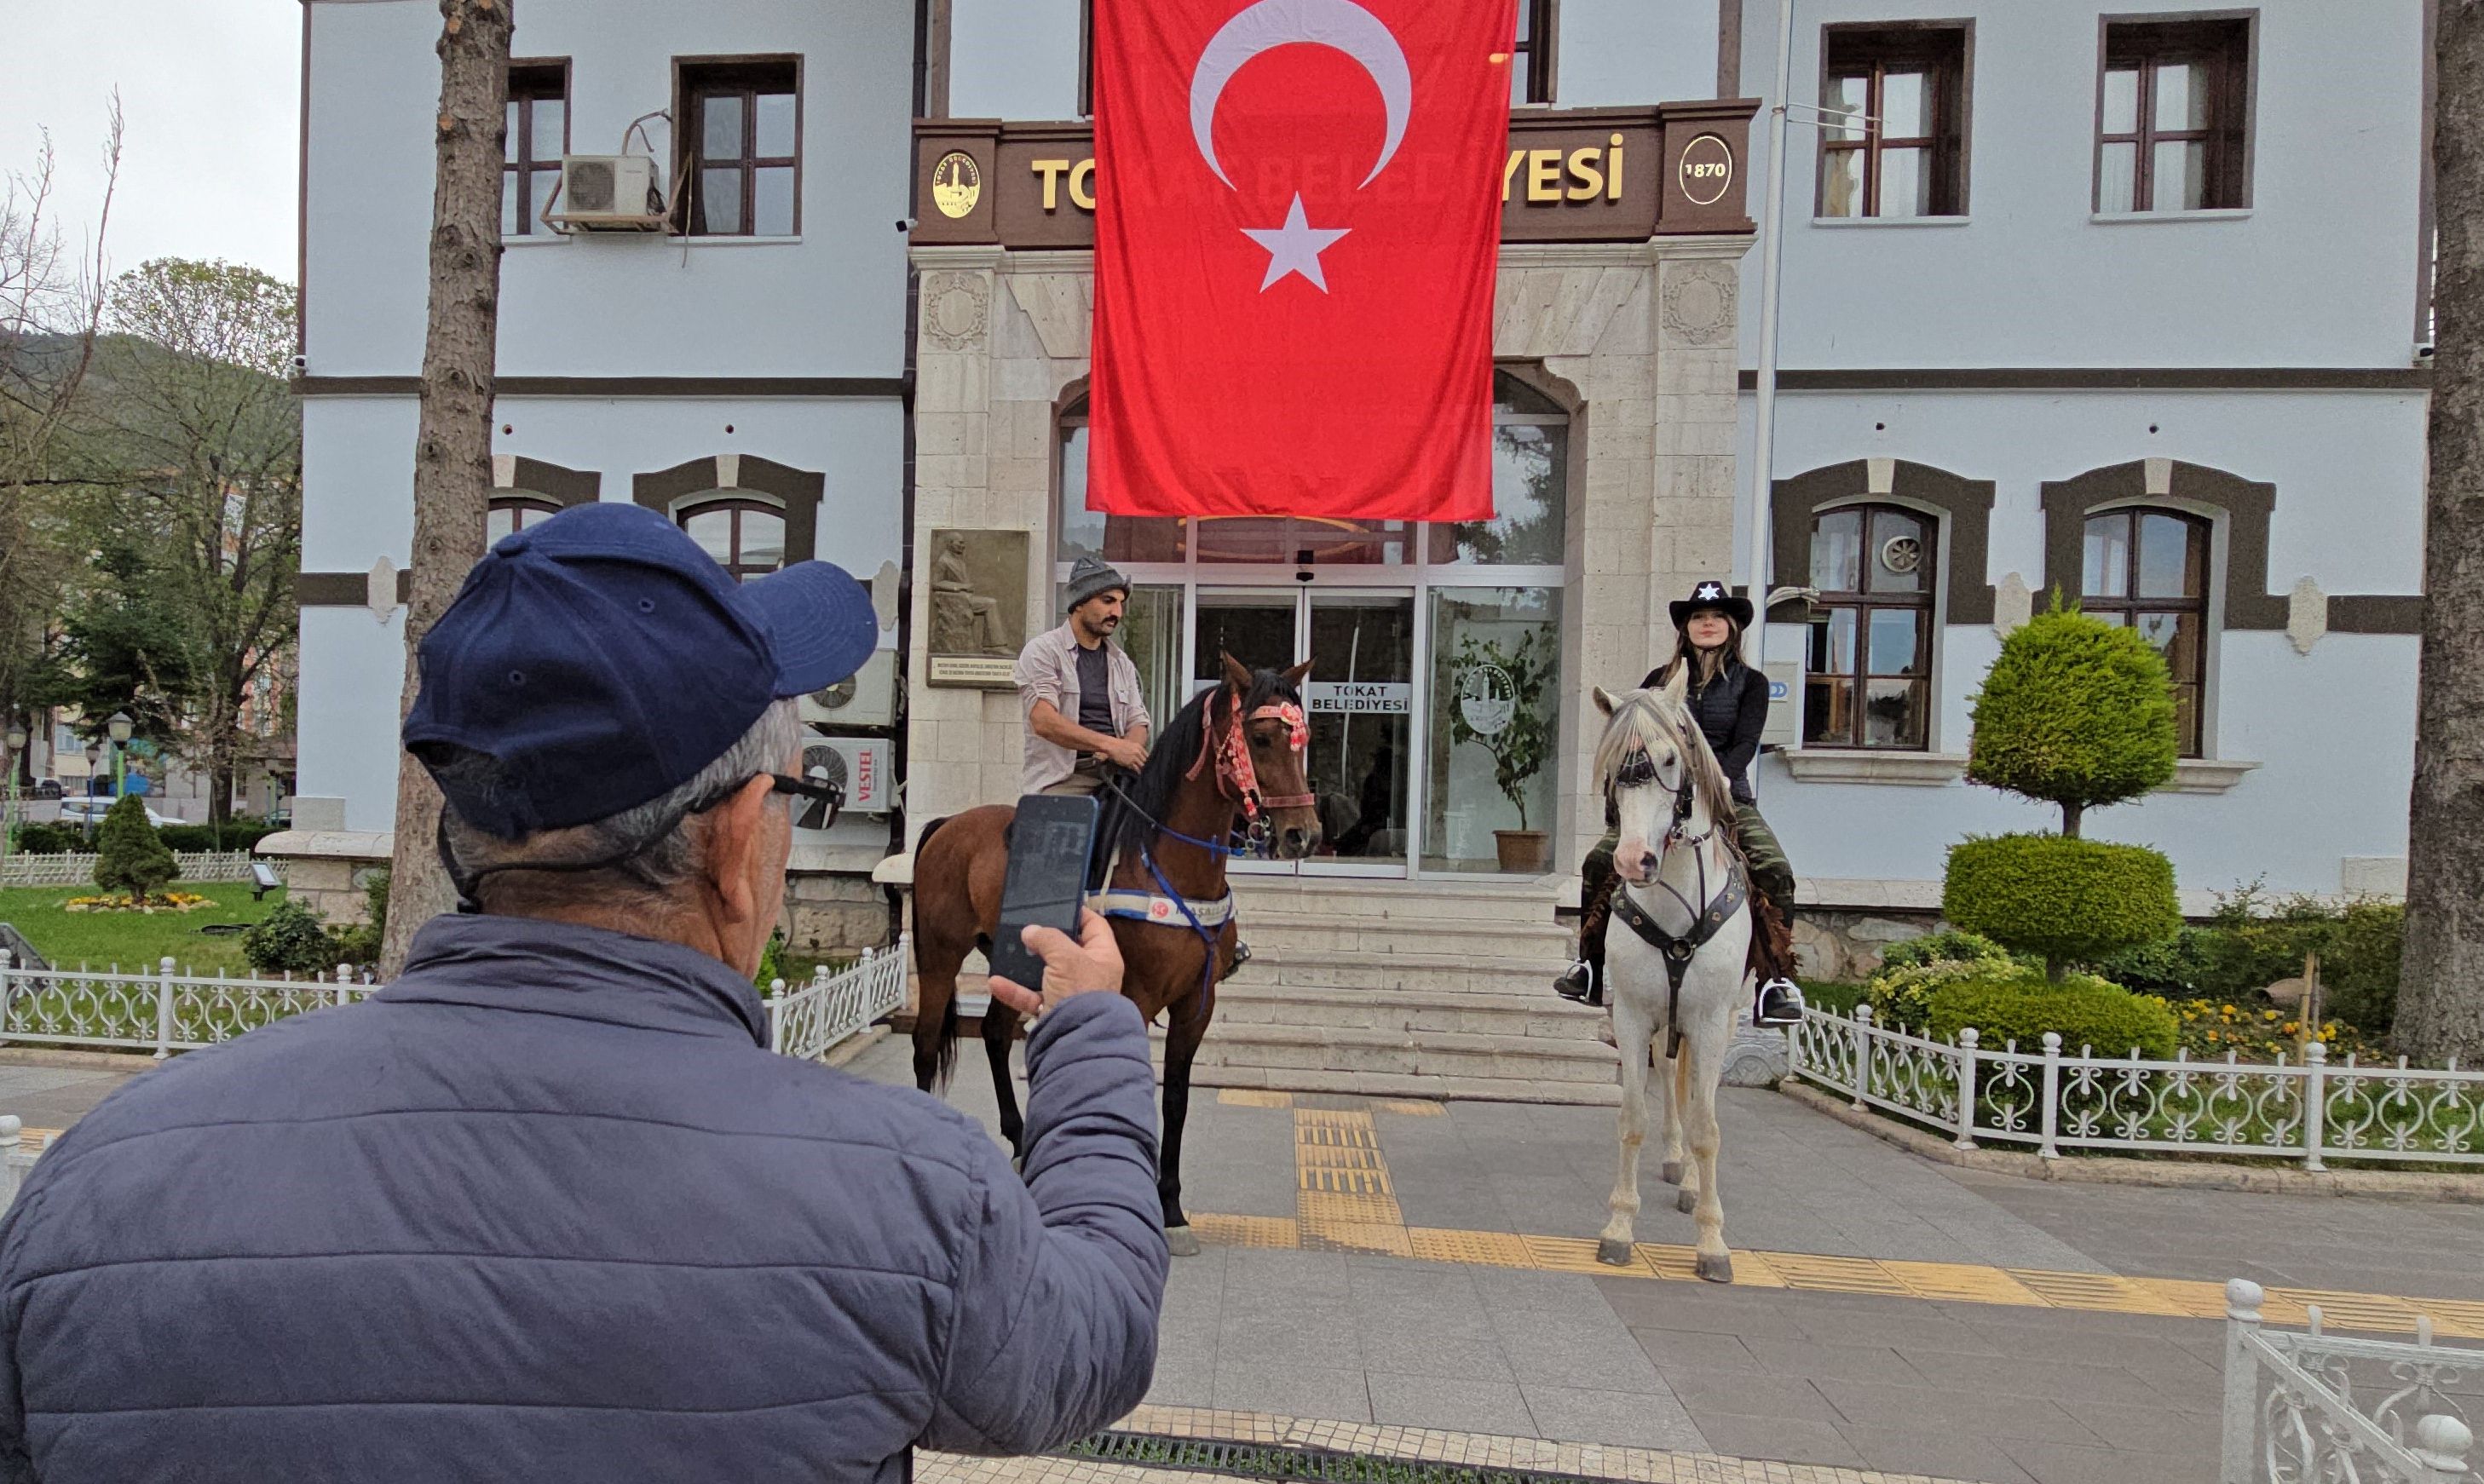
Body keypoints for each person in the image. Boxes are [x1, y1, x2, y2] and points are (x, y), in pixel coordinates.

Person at [0, 503, 1167, 1483]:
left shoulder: (99, 1182)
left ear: (468, 833)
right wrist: (1090, 1032)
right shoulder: (912, 1191)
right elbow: (1089, 1340)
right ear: (737, 842)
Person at [1555, 580, 1807, 1027]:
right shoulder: (1656, 683)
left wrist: (1720, 781)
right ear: (1686, 628)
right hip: (1660, 799)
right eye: (1697, 617)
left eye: (1714, 618)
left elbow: (1746, 742)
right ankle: (1589, 967)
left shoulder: (1752, 684)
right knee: (1598, 862)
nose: (1706, 624)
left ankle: (1776, 983)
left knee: (1774, 867)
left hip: (1726, 797)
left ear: (1730, 627)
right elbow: (1634, 740)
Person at [1015, 555, 1152, 797]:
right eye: (1108, 601)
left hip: (1119, 773)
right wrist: (1110, 745)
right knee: (1065, 831)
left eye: (1120, 603)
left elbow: (1138, 721)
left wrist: (1128, 749)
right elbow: (1044, 721)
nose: (1117, 612)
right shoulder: (1043, 651)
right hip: (1066, 778)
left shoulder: (1121, 662)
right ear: (1079, 603)